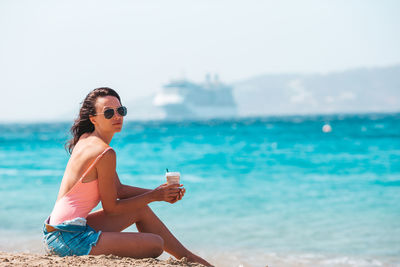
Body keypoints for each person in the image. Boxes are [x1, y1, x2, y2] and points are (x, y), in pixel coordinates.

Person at [43, 87, 212, 266]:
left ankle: (187, 256)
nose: (117, 116)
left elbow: (119, 190)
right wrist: (154, 196)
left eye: (121, 111)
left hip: (56, 233)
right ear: (93, 119)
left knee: (140, 209)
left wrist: (161, 194)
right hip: (69, 240)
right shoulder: (104, 152)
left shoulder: (86, 138)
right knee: (156, 245)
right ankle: (187, 257)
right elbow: (111, 207)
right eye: (108, 113)